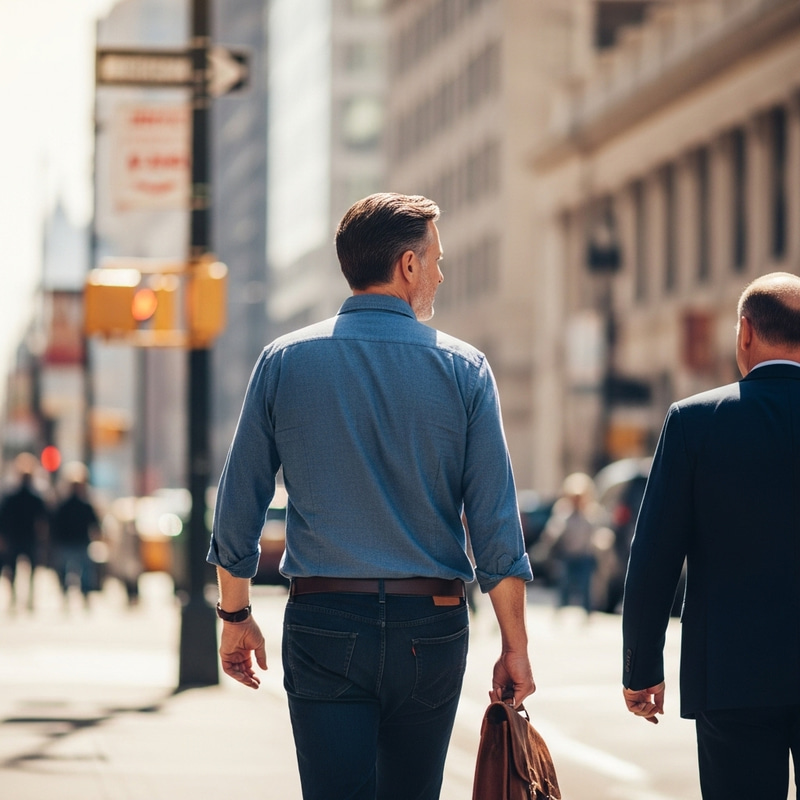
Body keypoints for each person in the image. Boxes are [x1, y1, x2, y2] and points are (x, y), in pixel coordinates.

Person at [208, 193, 535, 800]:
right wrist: (514, 647)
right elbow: (494, 522)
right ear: (407, 266)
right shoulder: (465, 369)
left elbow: (239, 504)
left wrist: (235, 616)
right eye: (435, 258)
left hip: (324, 619)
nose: (440, 272)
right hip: (430, 624)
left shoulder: (284, 360)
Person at [621, 271, 800, 799]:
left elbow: (653, 555)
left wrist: (642, 668)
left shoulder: (695, 421)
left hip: (731, 675)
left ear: (745, 332)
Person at [545, 472, 603, 616]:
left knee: (585, 586)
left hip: (584, 556)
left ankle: (588, 612)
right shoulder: (563, 512)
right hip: (568, 555)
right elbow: (553, 531)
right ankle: (559, 610)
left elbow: (597, 532)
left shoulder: (591, 513)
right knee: (564, 584)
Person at [0, 452, 49, 611]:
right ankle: (19, 598)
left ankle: (22, 598)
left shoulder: (17, 495)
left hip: (23, 537)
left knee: (22, 569)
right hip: (21, 537)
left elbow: (44, 518)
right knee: (17, 569)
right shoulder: (15, 495)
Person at [50, 462, 101, 607]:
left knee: (81, 573)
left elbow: (94, 524)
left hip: (77, 542)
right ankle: (73, 595)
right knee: (73, 572)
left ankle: (80, 595)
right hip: (71, 542)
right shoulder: (69, 504)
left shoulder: (72, 504)